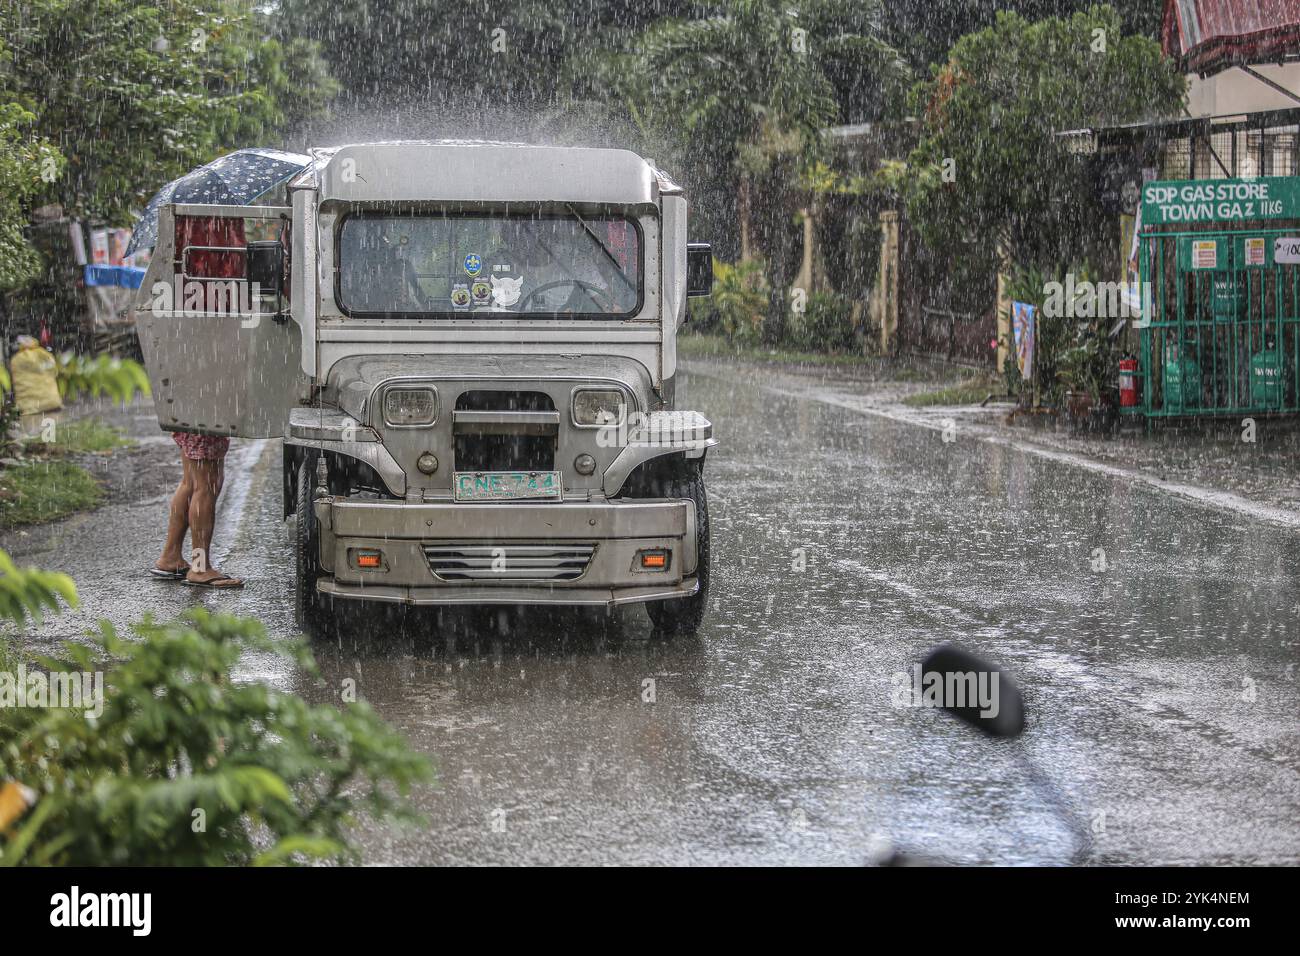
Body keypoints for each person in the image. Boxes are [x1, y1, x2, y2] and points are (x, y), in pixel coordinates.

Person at [152, 431, 243, 588]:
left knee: (191, 482)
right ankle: (200, 568)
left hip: (189, 415)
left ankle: (171, 556)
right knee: (207, 485)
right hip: (204, 420)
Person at [8, 335, 62, 438]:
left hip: (29, 406)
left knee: (34, 428)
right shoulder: (43, 354)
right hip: (52, 401)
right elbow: (54, 371)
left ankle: (34, 412)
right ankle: (48, 436)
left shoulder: (17, 359)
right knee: (49, 432)